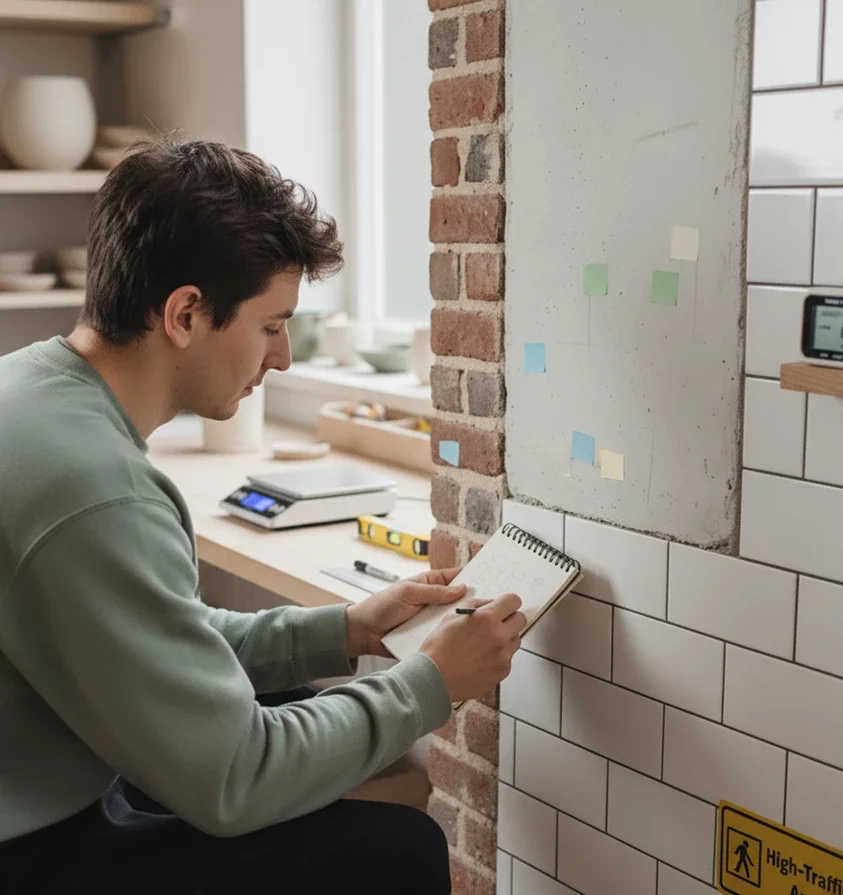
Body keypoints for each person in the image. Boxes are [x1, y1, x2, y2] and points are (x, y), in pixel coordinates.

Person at [0, 136, 525, 895]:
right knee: (399, 848)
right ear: (185, 313)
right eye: (272, 326)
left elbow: (152, 633)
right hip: (29, 848)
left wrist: (345, 629)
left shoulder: (30, 388)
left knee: (287, 705)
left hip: (33, 783)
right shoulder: (99, 491)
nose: (282, 358)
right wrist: (431, 682)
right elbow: (238, 778)